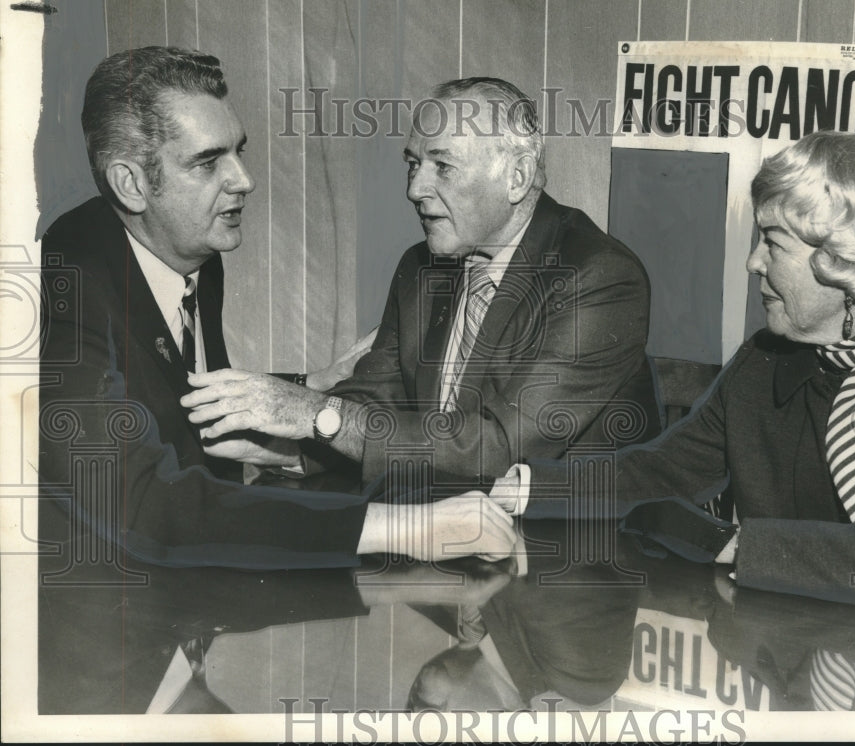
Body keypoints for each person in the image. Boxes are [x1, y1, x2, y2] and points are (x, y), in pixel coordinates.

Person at [37, 47, 517, 574]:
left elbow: (161, 394)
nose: (243, 179)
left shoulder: (188, 252)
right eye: (207, 162)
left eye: (238, 151)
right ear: (131, 184)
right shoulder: (64, 286)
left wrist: (308, 385)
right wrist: (407, 527)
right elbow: (142, 504)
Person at [523, 131, 855, 610]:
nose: (753, 262)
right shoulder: (764, 359)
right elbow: (663, 469)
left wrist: (733, 545)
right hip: (779, 639)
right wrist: (518, 490)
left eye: (773, 243)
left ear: (846, 259)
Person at [182, 77, 661, 498]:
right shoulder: (421, 267)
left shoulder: (599, 277)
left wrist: (314, 414)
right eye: (414, 164)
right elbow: (377, 401)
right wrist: (284, 448)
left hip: (567, 548)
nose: (415, 189)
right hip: (441, 525)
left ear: (516, 177)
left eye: (442, 167)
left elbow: (500, 448)